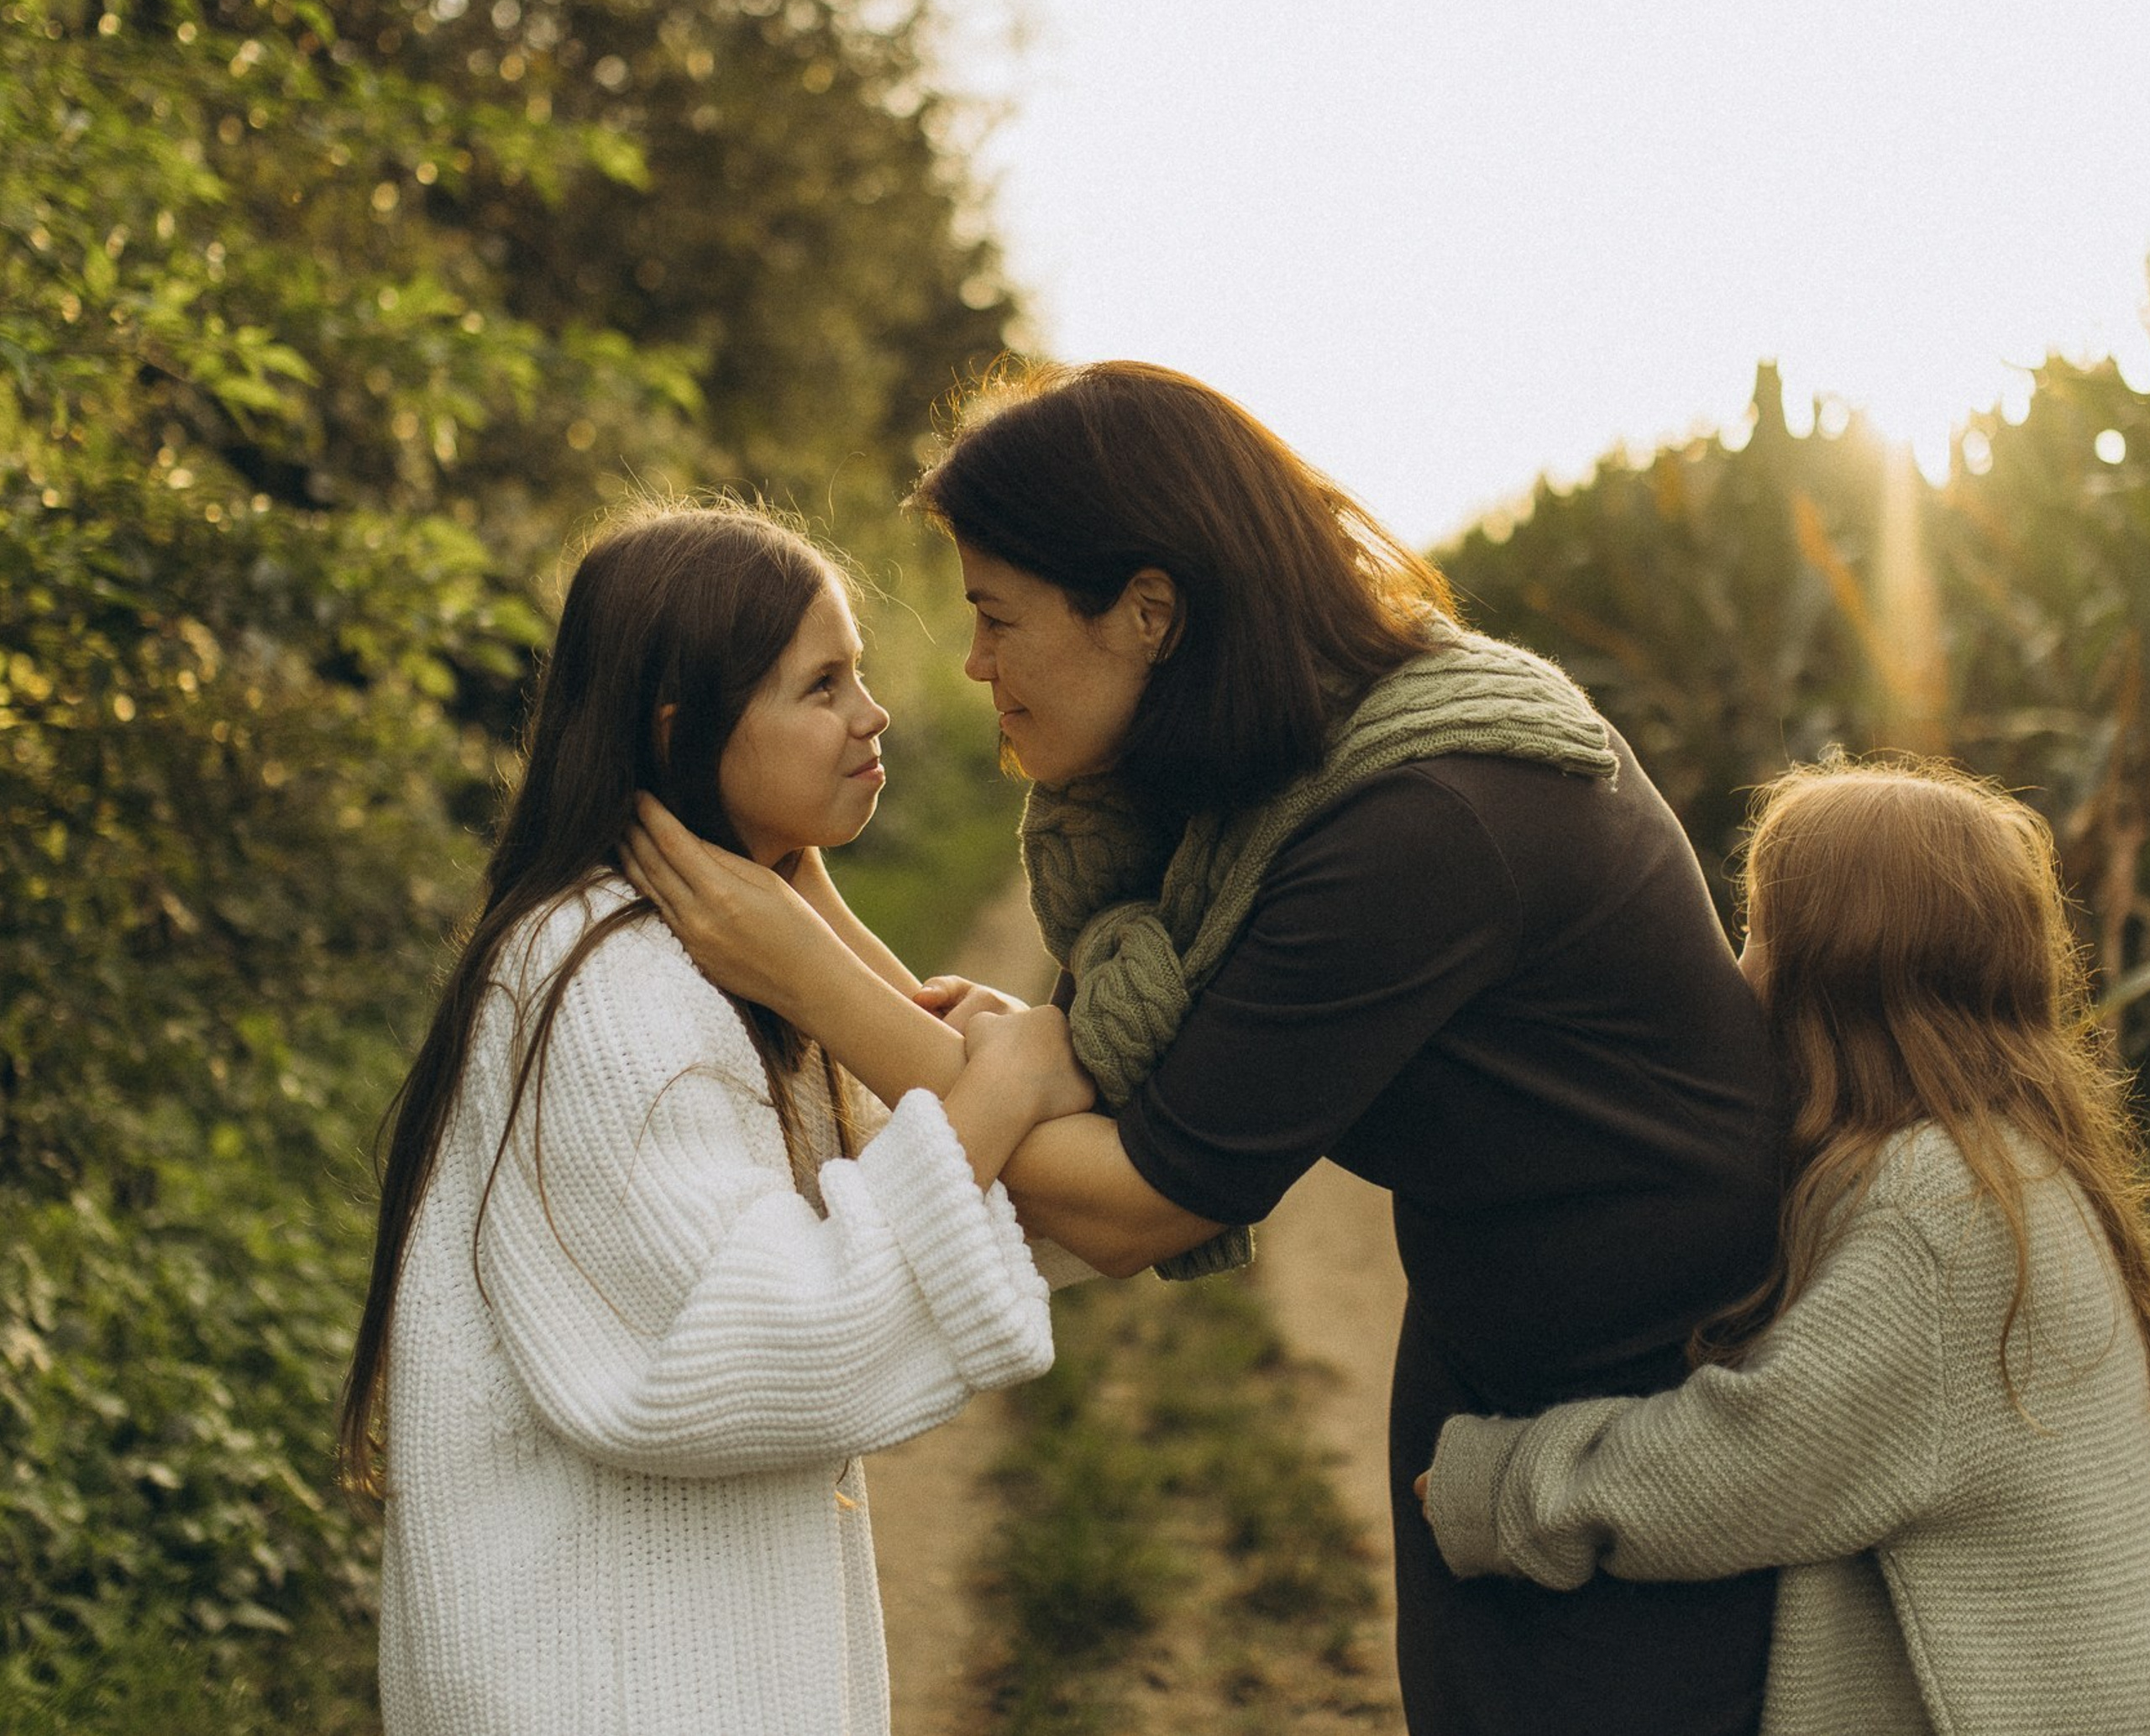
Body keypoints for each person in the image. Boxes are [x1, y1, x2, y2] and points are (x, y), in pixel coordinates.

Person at [621, 360, 1789, 1736]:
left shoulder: (1425, 818)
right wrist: (929, 990)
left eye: (998, 618)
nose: (977, 662)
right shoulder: (1273, 778)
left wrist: (810, 975)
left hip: (1666, 1396)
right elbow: (1139, 1113)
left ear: (1150, 612)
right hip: (1494, 1348)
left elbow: (1139, 1201)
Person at [338, 503, 1083, 1736]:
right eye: (822, 684)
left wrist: (824, 922)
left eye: (860, 672)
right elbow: (760, 1339)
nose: (875, 712)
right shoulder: (601, 986)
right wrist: (996, 1086)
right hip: (605, 1690)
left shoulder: (699, 955)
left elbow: (991, 1197)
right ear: (682, 733)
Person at [1418, 758, 2150, 1736]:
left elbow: (1747, 1465)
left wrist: (1500, 1487)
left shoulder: (1936, 1210)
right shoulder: (2009, 1157)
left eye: (1761, 930)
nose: (1736, 963)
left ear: (1835, 968)